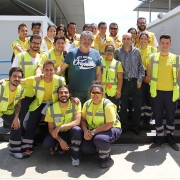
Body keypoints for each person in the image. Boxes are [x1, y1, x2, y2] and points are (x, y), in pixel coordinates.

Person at [147, 34, 180, 151]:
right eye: (163, 43)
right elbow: (149, 74)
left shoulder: (176, 58)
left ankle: (171, 139)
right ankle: (159, 138)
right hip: (157, 92)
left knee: (171, 117)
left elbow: (178, 75)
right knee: (158, 116)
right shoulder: (152, 57)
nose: (165, 45)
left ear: (170, 44)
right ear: (159, 44)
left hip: (171, 92)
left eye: (167, 43)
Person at [81, 81, 121, 168]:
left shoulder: (107, 104)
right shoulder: (87, 104)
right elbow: (83, 120)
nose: (95, 95)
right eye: (93, 93)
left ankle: (105, 158)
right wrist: (85, 131)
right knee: (86, 149)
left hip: (112, 128)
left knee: (100, 139)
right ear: (90, 94)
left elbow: (109, 124)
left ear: (102, 94)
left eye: (98, 93)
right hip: (94, 130)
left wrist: (93, 132)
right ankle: (100, 148)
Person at [57, 31, 102, 105]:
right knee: (76, 114)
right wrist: (49, 73)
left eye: (89, 39)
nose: (86, 41)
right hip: (75, 92)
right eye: (84, 39)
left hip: (91, 92)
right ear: (80, 40)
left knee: (90, 115)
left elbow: (98, 73)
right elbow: (61, 68)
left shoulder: (96, 54)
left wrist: (99, 89)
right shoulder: (71, 53)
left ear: (92, 41)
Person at [43, 85, 82, 166]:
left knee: (77, 130)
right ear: (57, 95)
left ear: (69, 94)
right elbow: (51, 129)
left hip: (71, 133)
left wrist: (61, 126)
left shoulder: (75, 104)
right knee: (47, 144)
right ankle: (60, 146)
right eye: (61, 92)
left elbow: (77, 122)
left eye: (66, 92)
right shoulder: (51, 109)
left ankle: (75, 155)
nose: (63, 94)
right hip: (59, 134)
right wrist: (60, 140)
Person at [12, 34, 43, 137]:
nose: (36, 45)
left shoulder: (40, 57)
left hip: (36, 95)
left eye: (38, 43)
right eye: (34, 42)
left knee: (31, 121)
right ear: (29, 43)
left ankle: (27, 141)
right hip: (22, 95)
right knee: (19, 119)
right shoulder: (20, 56)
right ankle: (17, 142)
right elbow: (13, 75)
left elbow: (40, 69)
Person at [114, 33, 145, 135]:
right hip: (123, 82)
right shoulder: (117, 52)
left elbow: (141, 67)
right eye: (124, 39)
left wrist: (140, 79)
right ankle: (124, 126)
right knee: (123, 106)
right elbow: (114, 66)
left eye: (128, 39)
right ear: (122, 40)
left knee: (137, 106)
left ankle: (135, 126)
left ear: (132, 40)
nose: (126, 41)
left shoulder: (136, 52)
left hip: (136, 82)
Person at [0, 67, 24, 159]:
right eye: (14, 76)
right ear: (9, 77)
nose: (17, 79)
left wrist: (16, 118)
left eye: (19, 77)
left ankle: (14, 149)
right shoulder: (1, 87)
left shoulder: (21, 89)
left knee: (16, 125)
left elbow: (18, 104)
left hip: (7, 111)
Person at [138, 33, 157, 125]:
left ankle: (149, 117)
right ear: (139, 40)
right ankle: (141, 117)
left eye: (145, 38)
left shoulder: (154, 49)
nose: (143, 40)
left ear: (148, 40)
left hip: (150, 75)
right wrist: (141, 77)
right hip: (140, 76)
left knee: (149, 97)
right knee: (141, 98)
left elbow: (155, 64)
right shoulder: (136, 51)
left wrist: (148, 77)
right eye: (142, 38)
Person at [101, 44, 123, 112]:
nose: (109, 52)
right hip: (101, 91)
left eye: (111, 50)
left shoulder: (118, 63)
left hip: (113, 92)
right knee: (102, 110)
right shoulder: (100, 63)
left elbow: (120, 78)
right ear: (104, 52)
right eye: (107, 50)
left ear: (114, 52)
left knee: (113, 111)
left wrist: (118, 91)